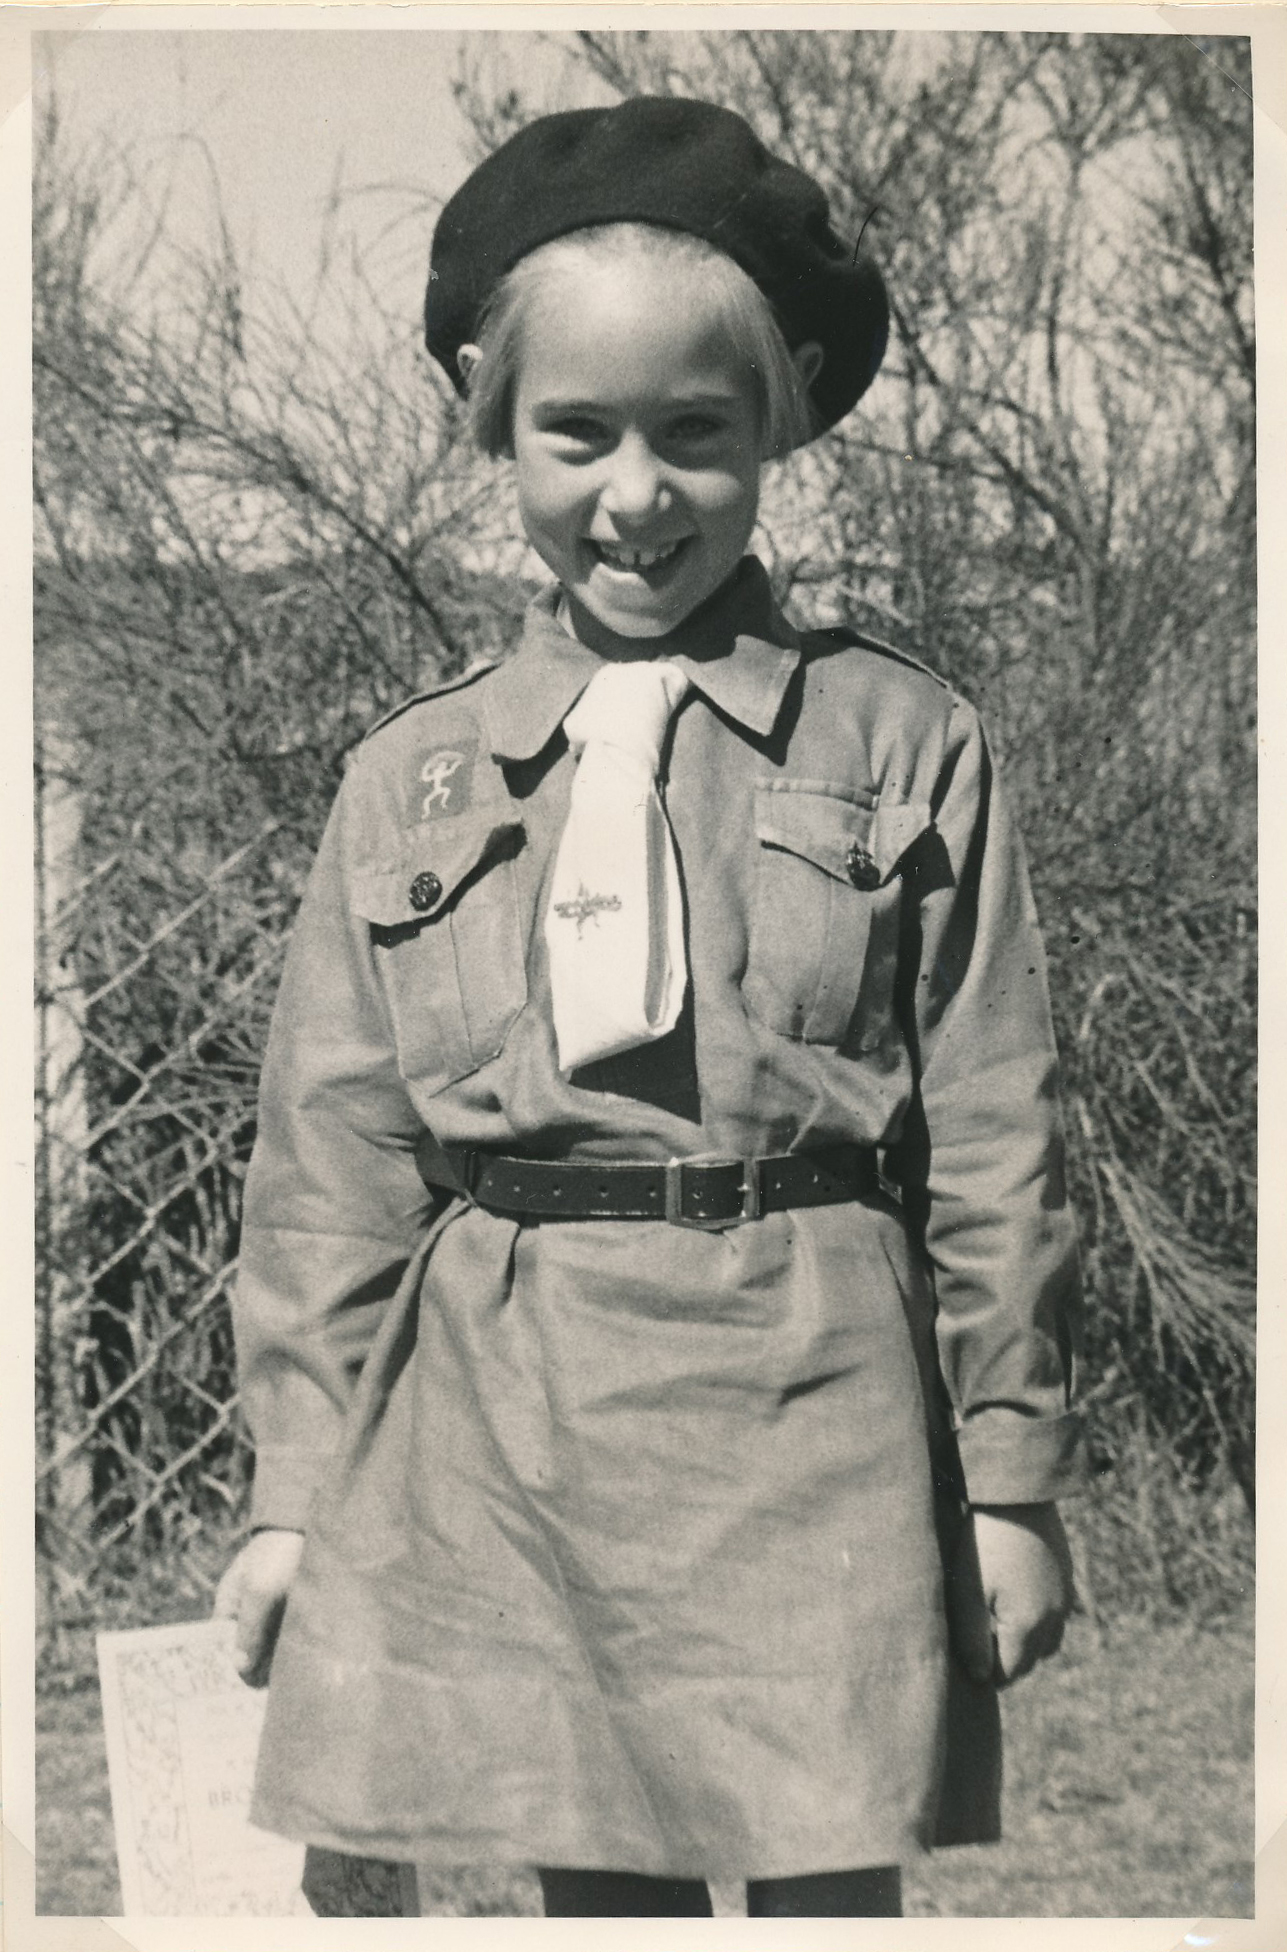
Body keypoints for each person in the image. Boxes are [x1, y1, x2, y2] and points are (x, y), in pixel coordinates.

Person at [215, 96, 1084, 1919]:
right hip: (514, 1423)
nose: (638, 495)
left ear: (773, 426)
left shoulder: (906, 740)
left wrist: (1007, 1478)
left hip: (814, 1404)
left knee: (825, 1880)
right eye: (577, 433)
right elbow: (333, 1170)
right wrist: (293, 1493)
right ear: (491, 424)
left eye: (697, 434)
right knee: (598, 1899)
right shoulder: (409, 779)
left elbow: (999, 1135)